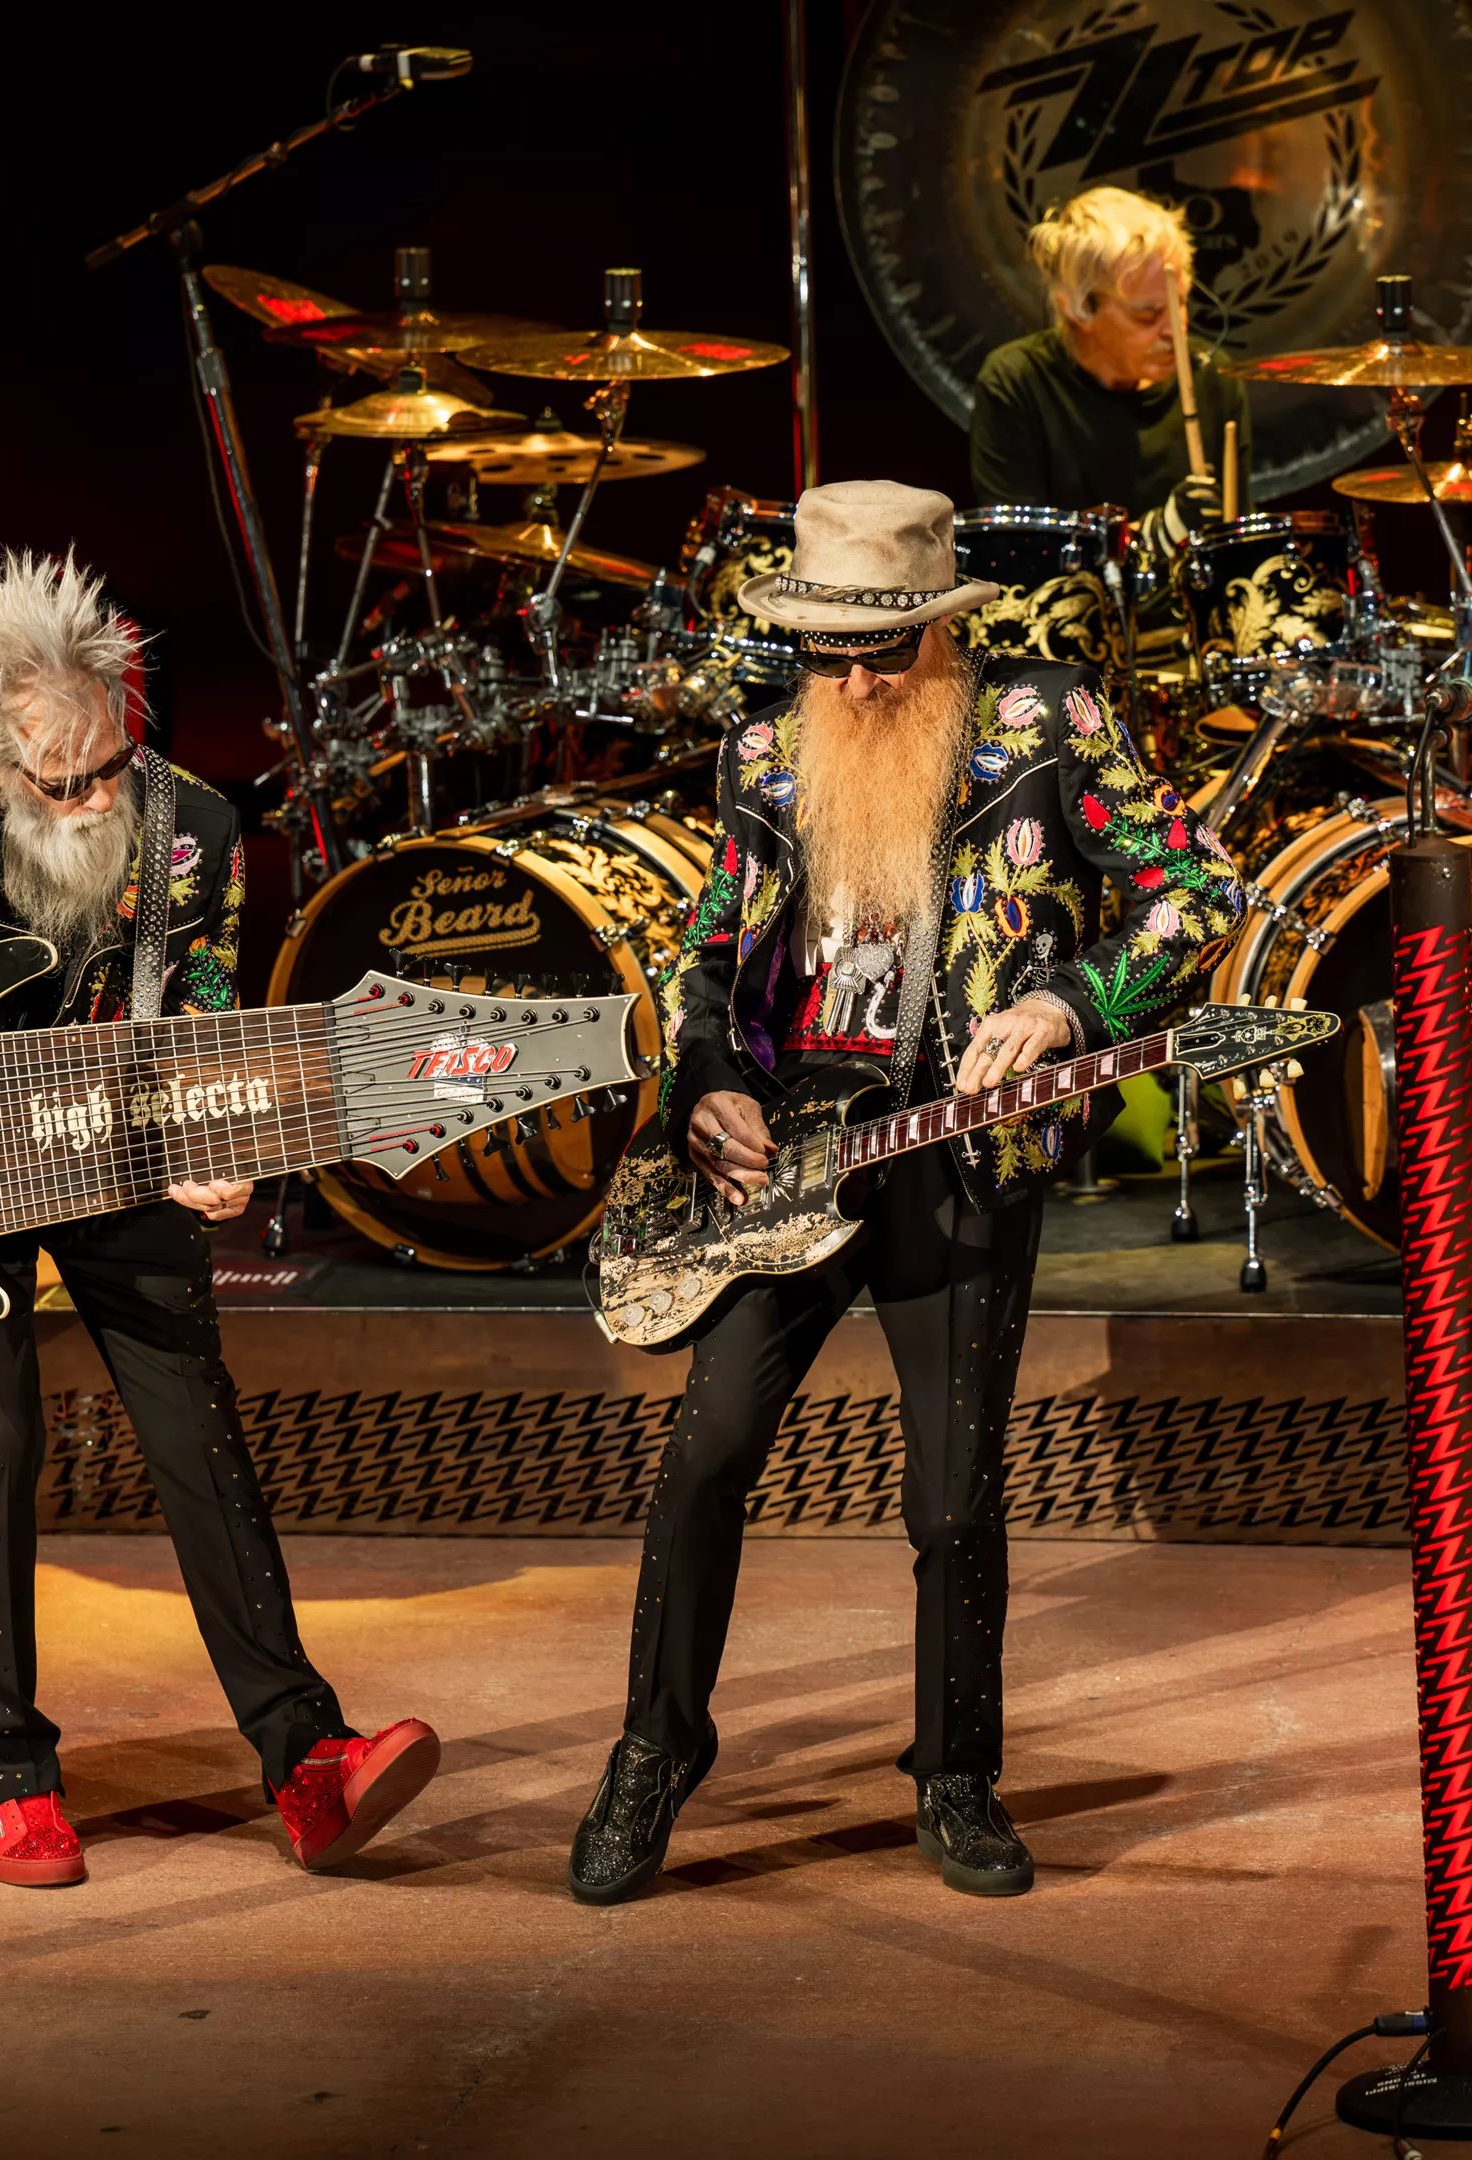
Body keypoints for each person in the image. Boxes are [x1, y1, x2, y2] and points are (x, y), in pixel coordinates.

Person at [565, 482, 1246, 1904]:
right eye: (829, 653)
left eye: (885, 650)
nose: (859, 680)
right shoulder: (761, 748)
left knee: (951, 1500)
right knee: (707, 1454)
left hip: (957, 1146)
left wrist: (1068, 1005)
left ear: (943, 629)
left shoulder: (1050, 722)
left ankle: (956, 1772)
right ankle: (653, 1753)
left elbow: (1199, 891)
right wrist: (704, 1080)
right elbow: (707, 952)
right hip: (791, 1158)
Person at [0, 550, 437, 1888]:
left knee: (197, 1421)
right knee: (1, 1440)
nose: (81, 801)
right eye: (49, 780)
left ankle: (305, 1754)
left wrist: (221, 1150)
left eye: (105, 771)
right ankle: (9, 1773)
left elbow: (196, 1017)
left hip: (109, 1141)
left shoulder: (199, 828)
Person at [969, 186, 1240, 543]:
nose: (1176, 330)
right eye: (1148, 314)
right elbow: (1019, 555)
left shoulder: (1210, 375)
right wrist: (1158, 536)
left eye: (1180, 304)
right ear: (1077, 307)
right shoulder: (1015, 382)